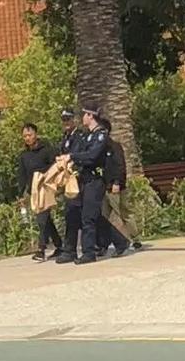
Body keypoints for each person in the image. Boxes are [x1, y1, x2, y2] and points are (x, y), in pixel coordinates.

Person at [58, 105, 114, 265]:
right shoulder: (88, 136)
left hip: (95, 180)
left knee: (88, 217)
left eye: (84, 115)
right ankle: (118, 241)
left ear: (90, 116)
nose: (83, 118)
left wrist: (72, 156)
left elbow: (92, 156)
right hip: (84, 180)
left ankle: (89, 252)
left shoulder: (101, 135)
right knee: (87, 215)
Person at [17, 123, 62, 261]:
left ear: (36, 134)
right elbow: (22, 175)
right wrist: (21, 193)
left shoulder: (47, 150)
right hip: (33, 191)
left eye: (29, 135)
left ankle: (41, 249)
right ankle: (60, 245)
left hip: (45, 188)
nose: (27, 138)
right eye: (25, 136)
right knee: (46, 220)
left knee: (41, 219)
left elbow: (55, 166)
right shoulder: (24, 156)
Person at [97, 119, 141, 255]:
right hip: (104, 186)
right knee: (105, 215)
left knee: (122, 213)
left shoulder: (114, 146)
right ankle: (105, 244)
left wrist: (117, 182)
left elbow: (120, 165)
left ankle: (134, 238)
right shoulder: (99, 149)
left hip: (116, 186)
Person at [55, 108, 84, 264]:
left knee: (77, 215)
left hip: (77, 180)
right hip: (68, 182)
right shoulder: (65, 138)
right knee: (73, 215)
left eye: (68, 119)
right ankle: (70, 249)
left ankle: (71, 249)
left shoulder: (79, 137)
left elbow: (77, 158)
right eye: (64, 120)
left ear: (75, 120)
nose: (66, 122)